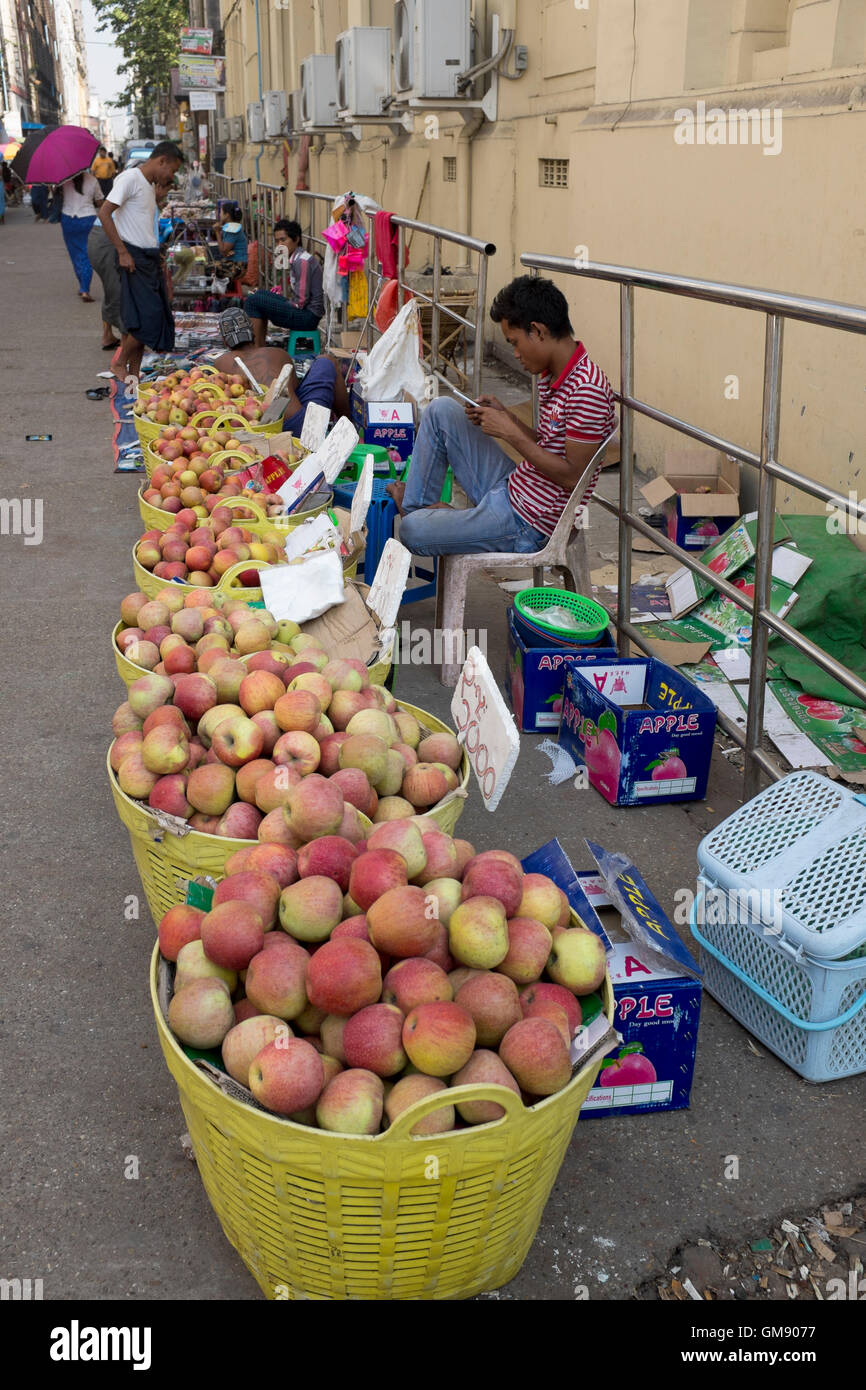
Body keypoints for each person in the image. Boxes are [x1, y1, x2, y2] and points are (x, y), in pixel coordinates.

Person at [390, 275, 616, 557]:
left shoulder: (587, 390)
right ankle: (422, 511)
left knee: (412, 531)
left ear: (537, 331)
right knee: (441, 410)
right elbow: (548, 444)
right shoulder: (555, 373)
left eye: (515, 342)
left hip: (529, 524)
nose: (516, 353)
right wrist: (507, 417)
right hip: (515, 488)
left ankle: (429, 521)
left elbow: (573, 477)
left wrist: (509, 431)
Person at [97, 141, 183, 381]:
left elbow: (140, 219)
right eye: (172, 170)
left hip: (148, 257)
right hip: (133, 258)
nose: (171, 175)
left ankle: (133, 374)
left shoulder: (146, 185)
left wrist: (157, 198)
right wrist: (122, 252)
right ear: (161, 161)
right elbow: (104, 213)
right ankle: (120, 363)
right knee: (150, 317)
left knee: (139, 318)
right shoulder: (130, 178)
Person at [212, 307, 351, 436]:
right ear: (253, 333)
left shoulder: (219, 363)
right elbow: (295, 391)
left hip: (255, 428)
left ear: (225, 342)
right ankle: (349, 425)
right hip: (298, 426)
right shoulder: (277, 353)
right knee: (326, 361)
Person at [245, 219, 324, 347]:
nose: (279, 245)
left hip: (308, 317)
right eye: (277, 241)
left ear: (296, 239)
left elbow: (300, 302)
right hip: (303, 311)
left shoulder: (302, 261)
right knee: (258, 294)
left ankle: (255, 349)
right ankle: (259, 347)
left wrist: (279, 304)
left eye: (283, 240)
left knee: (253, 301)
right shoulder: (296, 258)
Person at [59, 170, 103, 300]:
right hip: (87, 219)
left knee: (74, 254)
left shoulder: (64, 179)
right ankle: (85, 289)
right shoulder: (93, 179)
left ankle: (82, 285)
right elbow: (100, 201)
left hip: (68, 219)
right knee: (86, 254)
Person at [214, 201, 247, 278]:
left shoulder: (232, 229)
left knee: (208, 269)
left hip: (237, 266)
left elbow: (223, 251)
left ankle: (220, 289)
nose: (219, 215)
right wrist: (226, 252)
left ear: (227, 215)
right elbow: (225, 251)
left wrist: (217, 232)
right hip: (234, 262)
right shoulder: (230, 227)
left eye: (221, 212)